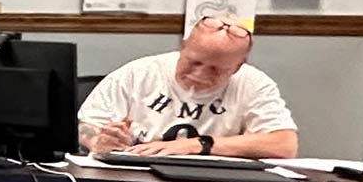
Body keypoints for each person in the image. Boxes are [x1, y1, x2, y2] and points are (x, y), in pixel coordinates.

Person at [79, 18, 299, 158]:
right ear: (182, 48)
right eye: (193, 62)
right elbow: (85, 127)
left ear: (237, 67)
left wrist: (198, 145)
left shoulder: (253, 83)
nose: (200, 74)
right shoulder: (138, 73)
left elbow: (284, 145)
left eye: (215, 69)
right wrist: (99, 140)